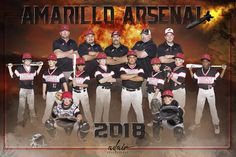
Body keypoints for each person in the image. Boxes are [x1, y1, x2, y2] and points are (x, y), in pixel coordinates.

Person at [188, 54, 227, 134]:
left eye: (206, 61)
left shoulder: (213, 71)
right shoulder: (199, 71)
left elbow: (219, 78)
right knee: (199, 107)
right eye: (203, 61)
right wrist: (190, 70)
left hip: (210, 91)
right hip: (201, 91)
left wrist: (224, 69)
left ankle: (216, 124)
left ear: (209, 62)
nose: (205, 63)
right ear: (202, 62)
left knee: (213, 108)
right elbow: (193, 78)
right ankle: (197, 123)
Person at [7, 53, 43, 125]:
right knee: (22, 106)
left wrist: (40, 66)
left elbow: (36, 74)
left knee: (31, 106)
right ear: (23, 61)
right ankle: (20, 120)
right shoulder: (19, 69)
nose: (28, 61)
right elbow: (12, 76)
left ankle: (33, 120)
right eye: (26, 60)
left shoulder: (32, 69)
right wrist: (9, 68)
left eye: (29, 60)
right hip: (23, 90)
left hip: (30, 90)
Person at [42, 53, 68, 124]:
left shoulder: (59, 71)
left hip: (58, 92)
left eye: (52, 61)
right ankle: (44, 122)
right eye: (49, 61)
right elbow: (44, 84)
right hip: (49, 93)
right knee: (48, 108)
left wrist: (66, 93)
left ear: (55, 62)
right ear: (48, 62)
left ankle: (64, 121)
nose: (50, 62)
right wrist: (43, 93)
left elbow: (64, 82)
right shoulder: (45, 73)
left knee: (62, 107)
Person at [120, 50, 145, 124]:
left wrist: (127, 76)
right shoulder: (123, 67)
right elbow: (122, 77)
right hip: (125, 92)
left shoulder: (140, 67)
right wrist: (135, 74)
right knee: (124, 110)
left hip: (137, 92)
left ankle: (141, 128)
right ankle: (123, 128)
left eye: (133, 57)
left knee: (139, 110)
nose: (131, 59)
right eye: (130, 57)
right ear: (127, 58)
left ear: (136, 58)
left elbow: (141, 78)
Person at [68, 57, 93, 125]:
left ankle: (91, 124)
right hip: (75, 93)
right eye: (79, 65)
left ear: (84, 65)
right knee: (75, 109)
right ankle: (76, 124)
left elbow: (86, 85)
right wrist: (72, 82)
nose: (80, 66)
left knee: (86, 110)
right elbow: (69, 84)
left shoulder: (86, 74)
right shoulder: (73, 74)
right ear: (76, 65)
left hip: (83, 93)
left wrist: (77, 84)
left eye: (82, 65)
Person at [94, 52, 116, 123]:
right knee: (99, 108)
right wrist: (109, 77)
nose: (103, 61)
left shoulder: (109, 69)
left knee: (107, 107)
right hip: (101, 89)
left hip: (108, 90)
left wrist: (106, 78)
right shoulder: (97, 69)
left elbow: (114, 80)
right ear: (98, 61)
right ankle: (97, 123)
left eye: (104, 59)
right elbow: (101, 81)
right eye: (101, 59)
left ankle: (105, 121)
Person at [146, 57, 167, 127]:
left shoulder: (161, 74)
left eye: (156, 65)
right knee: (152, 108)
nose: (155, 67)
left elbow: (159, 87)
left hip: (156, 94)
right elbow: (148, 83)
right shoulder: (151, 73)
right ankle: (156, 121)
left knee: (157, 108)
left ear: (159, 65)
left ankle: (159, 122)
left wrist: (154, 96)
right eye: (153, 65)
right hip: (150, 93)